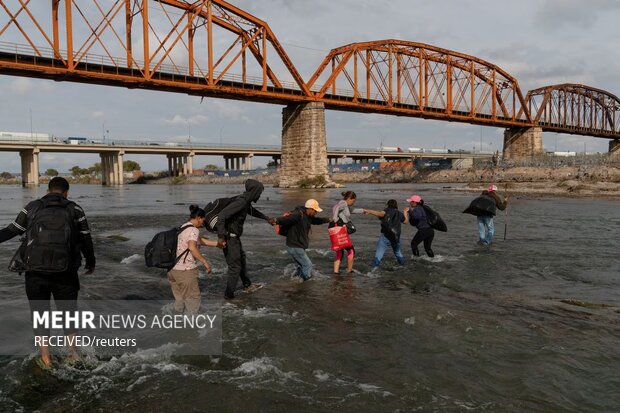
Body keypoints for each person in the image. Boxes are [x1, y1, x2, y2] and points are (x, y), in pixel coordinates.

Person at [0, 177, 95, 369]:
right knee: (68, 313)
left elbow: (11, 231)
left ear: (48, 189)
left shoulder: (32, 207)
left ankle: (46, 359)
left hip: (35, 272)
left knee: (40, 313)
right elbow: (86, 238)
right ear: (66, 192)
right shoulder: (74, 209)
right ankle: (73, 355)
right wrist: (90, 261)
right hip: (66, 272)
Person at [216, 179, 273, 299]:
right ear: (254, 191)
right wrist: (221, 237)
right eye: (259, 192)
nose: (259, 195)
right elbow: (221, 216)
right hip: (230, 238)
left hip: (235, 238)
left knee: (241, 260)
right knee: (235, 267)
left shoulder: (245, 201)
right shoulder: (241, 202)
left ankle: (247, 285)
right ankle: (228, 295)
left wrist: (265, 218)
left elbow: (251, 211)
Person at [168, 205, 218, 314]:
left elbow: (200, 241)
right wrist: (205, 262)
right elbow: (192, 247)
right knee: (193, 303)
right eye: (203, 220)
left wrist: (217, 244)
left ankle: (175, 324)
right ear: (199, 218)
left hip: (173, 271)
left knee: (179, 302)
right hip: (185, 271)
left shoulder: (182, 227)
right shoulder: (194, 230)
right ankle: (192, 329)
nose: (203, 223)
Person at [274, 199, 331, 281]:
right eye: (315, 211)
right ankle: (306, 283)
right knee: (308, 265)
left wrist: (328, 219)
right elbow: (287, 219)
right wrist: (276, 220)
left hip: (295, 246)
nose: (316, 213)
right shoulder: (298, 214)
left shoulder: (308, 216)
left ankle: (296, 282)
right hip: (295, 245)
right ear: (310, 209)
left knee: (301, 266)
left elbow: (316, 221)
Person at [363, 199, 406, 269]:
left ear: (388, 204)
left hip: (385, 236)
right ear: (396, 205)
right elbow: (406, 222)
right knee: (398, 253)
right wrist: (405, 213)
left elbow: (381, 214)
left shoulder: (386, 210)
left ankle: (374, 270)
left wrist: (370, 211)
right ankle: (403, 266)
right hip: (396, 237)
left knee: (379, 254)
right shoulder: (399, 213)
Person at [331, 191, 364, 274]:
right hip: (340, 228)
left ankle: (336, 273)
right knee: (351, 250)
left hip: (334, 229)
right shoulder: (344, 203)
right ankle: (349, 271)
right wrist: (335, 218)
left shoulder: (345, 205)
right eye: (353, 201)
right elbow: (335, 207)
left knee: (340, 251)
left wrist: (364, 210)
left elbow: (352, 210)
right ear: (349, 199)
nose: (354, 202)